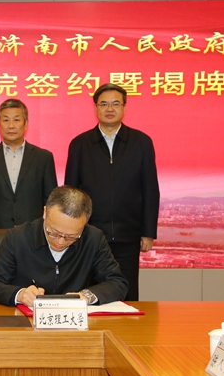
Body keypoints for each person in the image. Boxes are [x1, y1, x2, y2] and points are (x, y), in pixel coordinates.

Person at [64, 83, 160, 301]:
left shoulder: (141, 142)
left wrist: (148, 232)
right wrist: (72, 230)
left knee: (127, 292)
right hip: (89, 235)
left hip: (128, 234)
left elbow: (150, 189)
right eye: (104, 104)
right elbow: (71, 192)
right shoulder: (80, 144)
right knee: (89, 293)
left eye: (116, 104)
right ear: (95, 108)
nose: (110, 109)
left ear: (124, 107)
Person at [0, 186, 128, 307]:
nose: (60, 242)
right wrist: (21, 294)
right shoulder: (18, 238)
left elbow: (117, 282)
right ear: (45, 212)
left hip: (75, 325)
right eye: (54, 233)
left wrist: (86, 296)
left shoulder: (93, 239)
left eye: (71, 236)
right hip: (25, 324)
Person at [0, 99, 57, 263]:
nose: (11, 125)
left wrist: (52, 236)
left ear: (25, 123)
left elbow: (50, 202)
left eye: (16, 120)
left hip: (35, 237)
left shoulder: (43, 158)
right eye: (6, 120)